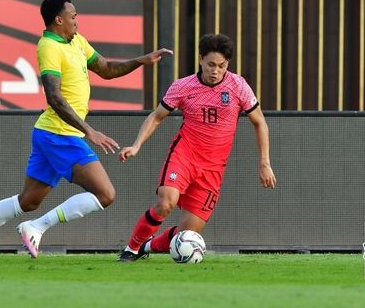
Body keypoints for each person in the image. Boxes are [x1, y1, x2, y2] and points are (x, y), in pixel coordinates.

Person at [0, 0, 172, 258]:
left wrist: (141, 60)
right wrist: (89, 131)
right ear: (59, 20)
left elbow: (106, 69)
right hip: (60, 134)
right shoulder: (48, 46)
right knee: (105, 194)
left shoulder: (77, 41)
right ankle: (36, 227)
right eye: (73, 17)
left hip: (49, 132)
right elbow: (54, 97)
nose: (76, 22)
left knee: (28, 201)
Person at [117, 33, 276, 262]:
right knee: (166, 202)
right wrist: (136, 145)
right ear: (201, 59)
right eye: (211, 64)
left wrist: (264, 163)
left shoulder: (238, 86)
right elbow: (157, 116)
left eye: (221, 66)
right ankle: (131, 248)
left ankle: (145, 247)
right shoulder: (183, 86)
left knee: (188, 235)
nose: (215, 71)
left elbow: (259, 122)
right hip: (184, 156)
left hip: (212, 169)